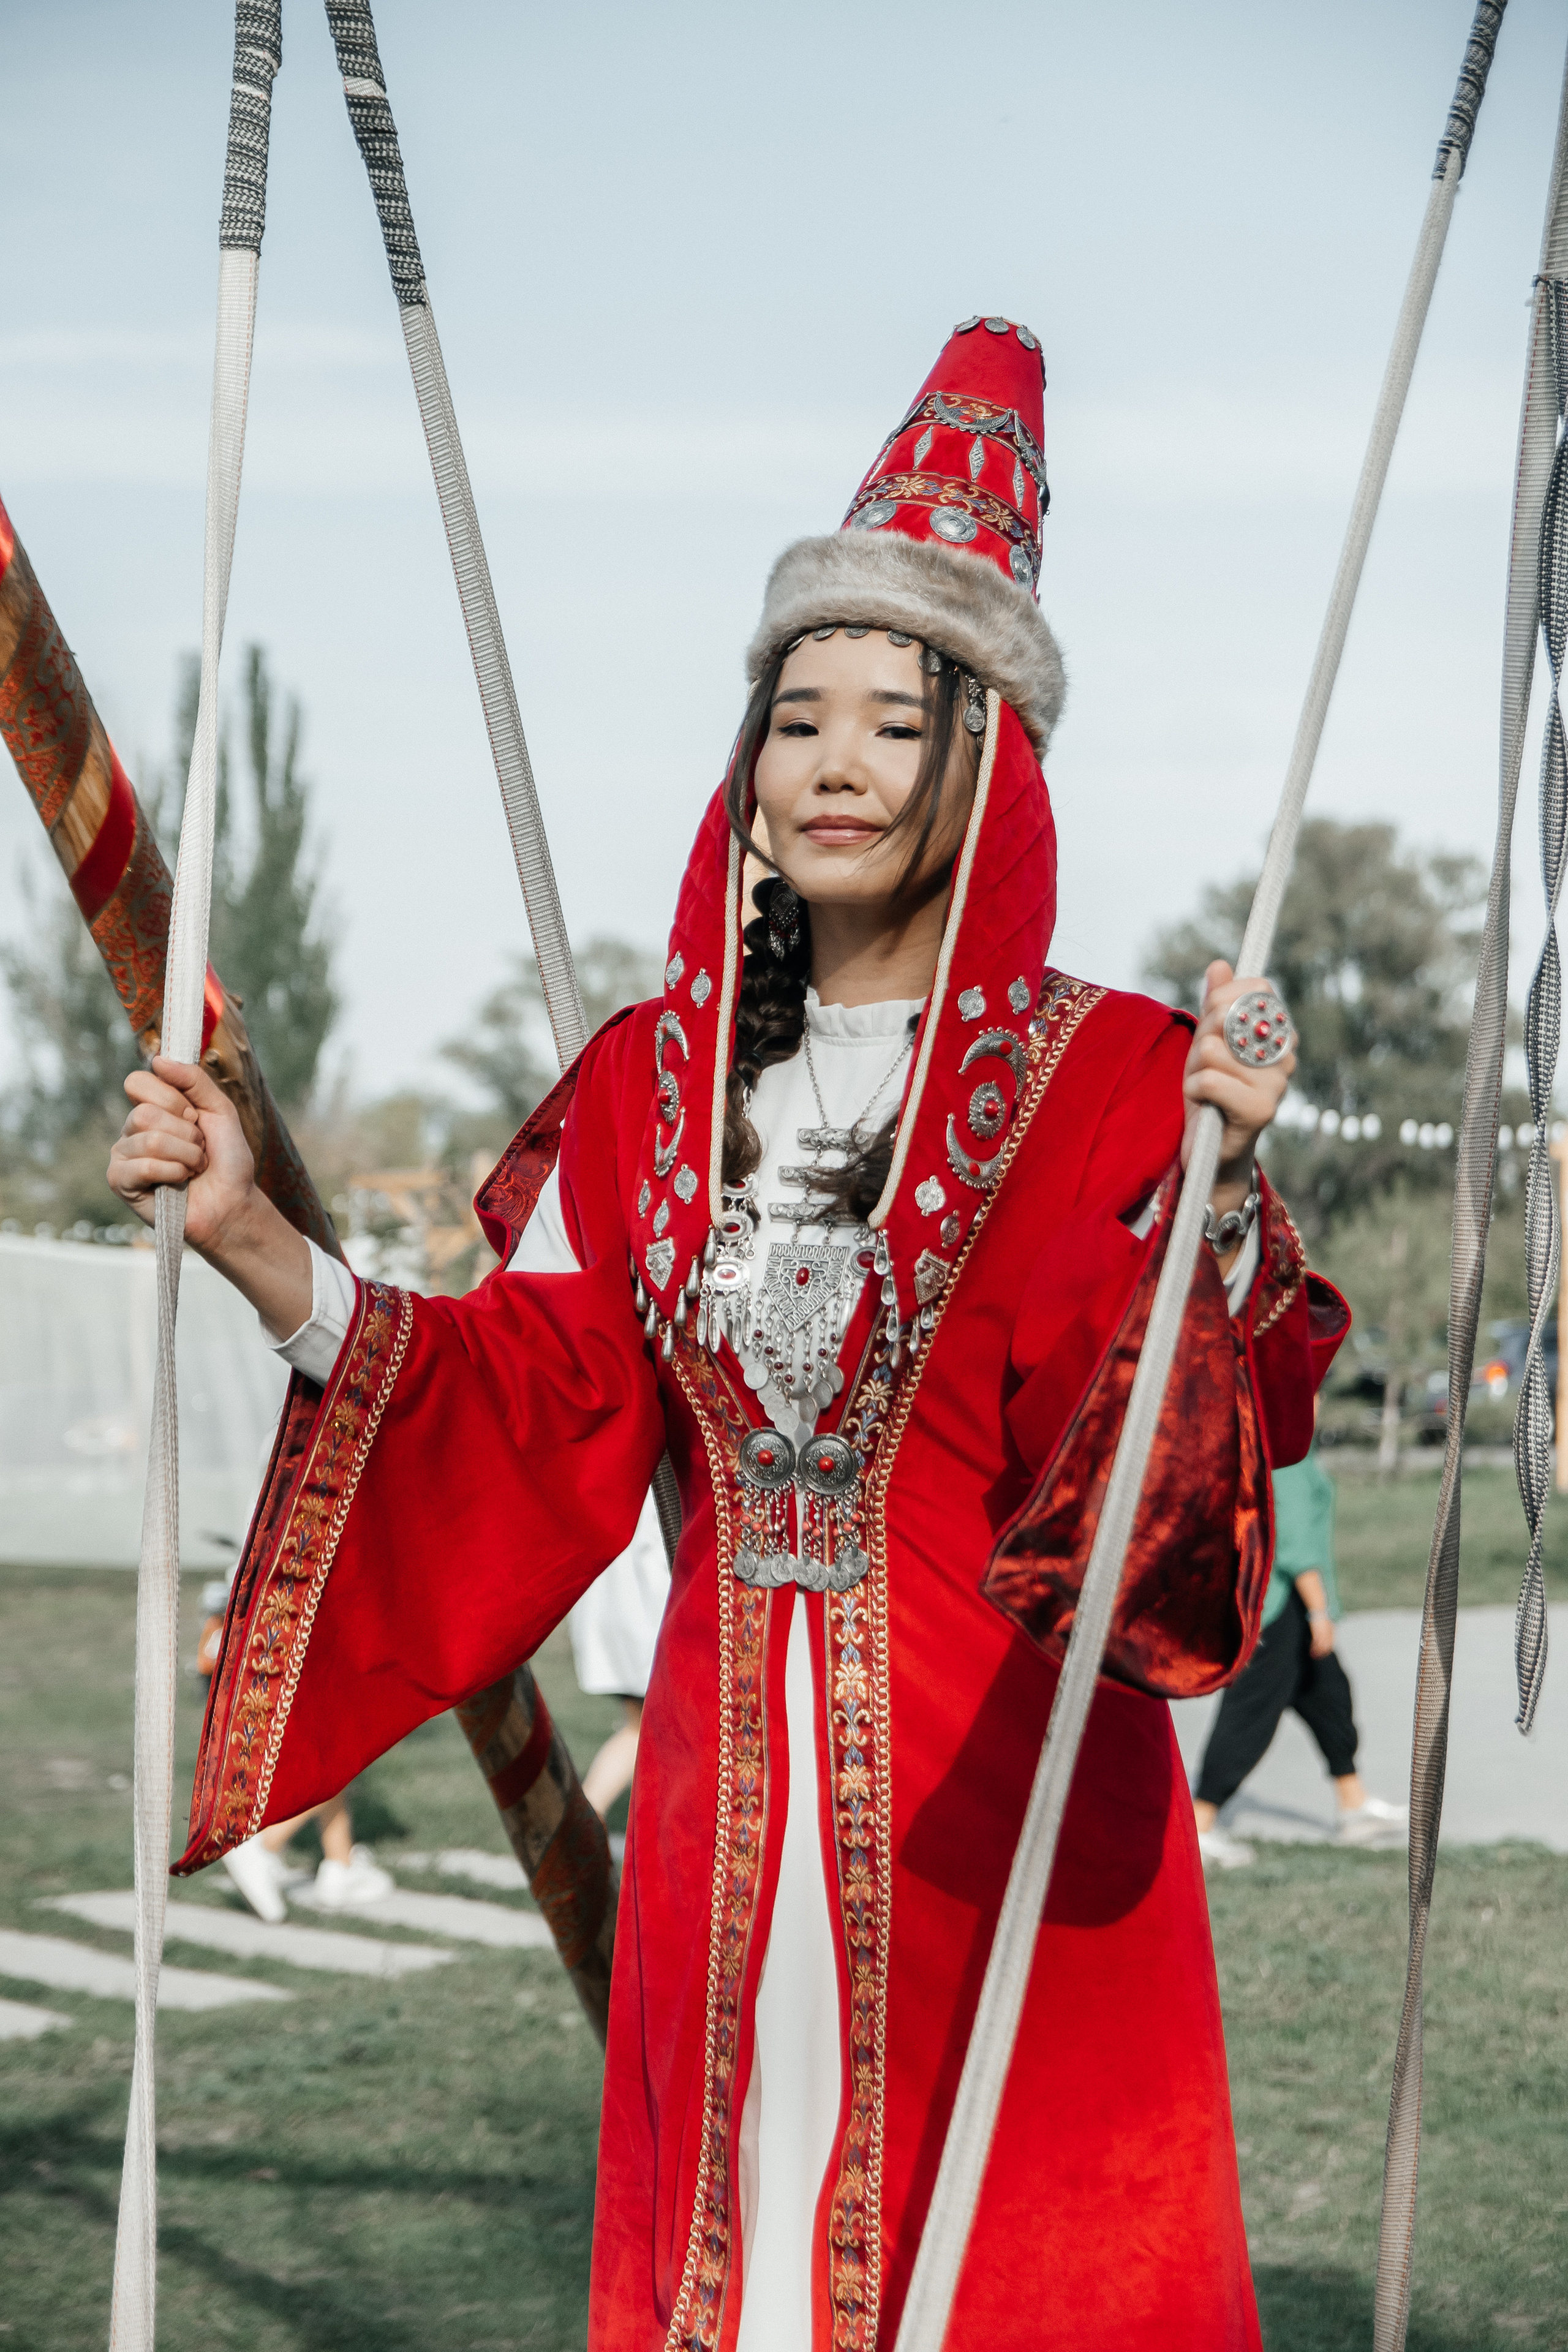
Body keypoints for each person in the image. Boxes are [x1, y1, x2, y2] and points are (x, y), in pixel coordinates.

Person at [108, 318, 1348, 2351]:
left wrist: (1212, 1185)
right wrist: (258, 1238)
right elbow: (542, 1387)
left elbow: (1193, 1462)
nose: (836, 763)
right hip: (716, 1828)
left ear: (988, 761)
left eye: (893, 718)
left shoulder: (1118, 1074)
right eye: (798, 718)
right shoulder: (651, 1086)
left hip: (1003, 1824)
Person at [1193, 1432, 1408, 1866]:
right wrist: (1318, 1612)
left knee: (1330, 1697)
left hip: (1286, 1602)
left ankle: (1354, 1807)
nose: (1317, 1397)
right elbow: (1293, 1542)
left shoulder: (1286, 1443)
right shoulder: (1283, 1448)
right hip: (1278, 1605)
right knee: (1249, 1715)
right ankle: (1198, 1825)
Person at [197, 1566, 394, 1921]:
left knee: (337, 1744)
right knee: (347, 1742)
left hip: (304, 1598)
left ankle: (340, 1866)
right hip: (323, 1598)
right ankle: (264, 1844)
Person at [567, 1490, 669, 1818]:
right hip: (650, 1614)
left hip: (615, 1610)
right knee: (659, 1730)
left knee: (640, 1730)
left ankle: (578, 1835)